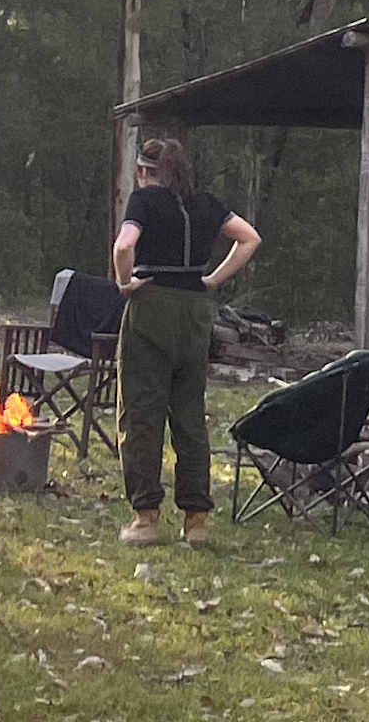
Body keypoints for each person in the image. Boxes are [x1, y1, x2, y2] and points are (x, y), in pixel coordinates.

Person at [110, 132, 260, 546]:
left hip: (152, 305)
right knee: (189, 414)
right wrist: (210, 279)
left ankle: (146, 517)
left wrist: (125, 283)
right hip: (196, 312)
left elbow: (125, 246)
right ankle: (195, 521)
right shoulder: (207, 203)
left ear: (145, 172)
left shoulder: (145, 201)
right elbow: (250, 238)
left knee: (141, 411)